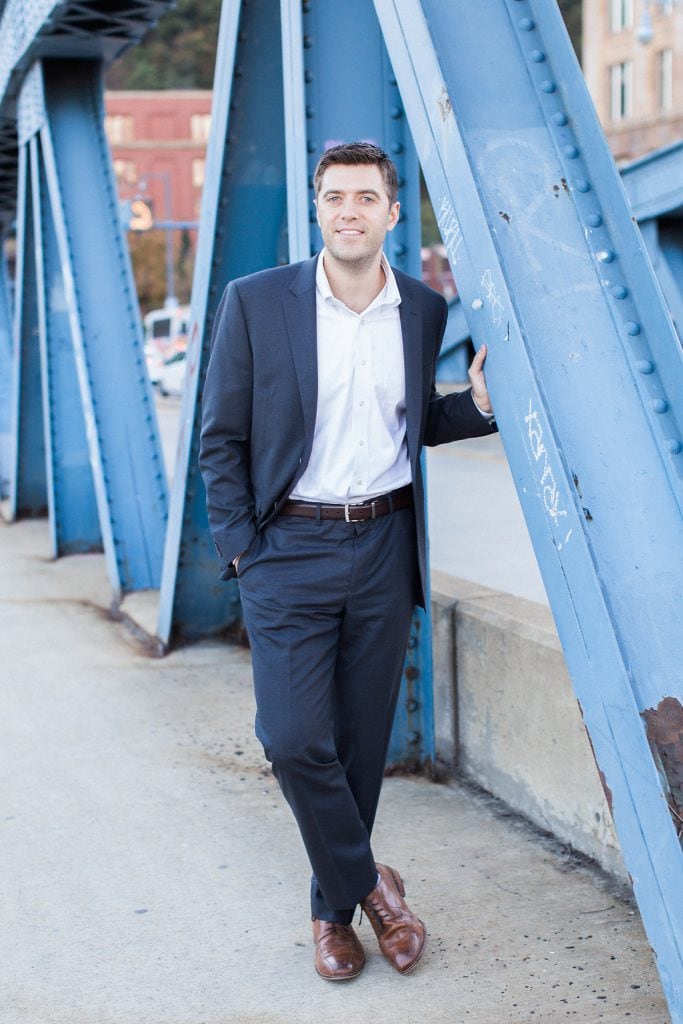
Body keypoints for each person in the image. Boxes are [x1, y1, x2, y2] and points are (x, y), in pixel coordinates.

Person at [199, 141, 497, 981]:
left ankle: (328, 914)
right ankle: (373, 888)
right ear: (318, 209)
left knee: (360, 744)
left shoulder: (424, 310)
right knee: (293, 738)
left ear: (392, 214)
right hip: (286, 549)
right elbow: (222, 438)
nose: (350, 211)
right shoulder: (257, 303)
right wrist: (243, 553)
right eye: (335, 197)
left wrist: (474, 406)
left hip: (382, 543)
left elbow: (414, 424)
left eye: (366, 197)